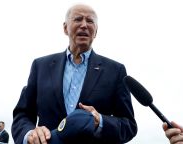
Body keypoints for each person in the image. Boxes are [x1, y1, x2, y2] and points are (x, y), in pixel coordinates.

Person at [11, 3, 137, 144]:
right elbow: (23, 114)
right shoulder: (40, 66)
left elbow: (129, 126)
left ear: (95, 31)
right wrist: (30, 134)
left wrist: (99, 121)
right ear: (65, 28)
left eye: (90, 21)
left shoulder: (115, 71)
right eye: (78, 19)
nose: (84, 25)